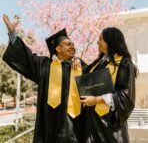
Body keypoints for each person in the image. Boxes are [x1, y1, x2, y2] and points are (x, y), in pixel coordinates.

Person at [2, 14, 86, 143]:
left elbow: (97, 85)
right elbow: (27, 57)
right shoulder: (44, 66)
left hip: (75, 130)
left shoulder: (79, 67)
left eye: (73, 44)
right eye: (68, 44)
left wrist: (80, 61)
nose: (72, 46)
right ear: (58, 49)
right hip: (48, 130)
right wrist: (13, 33)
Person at [80, 27, 137, 143]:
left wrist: (97, 99)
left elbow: (125, 96)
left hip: (110, 125)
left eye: (101, 39)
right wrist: (77, 60)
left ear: (110, 42)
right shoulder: (99, 63)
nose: (97, 42)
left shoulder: (124, 63)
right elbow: (86, 77)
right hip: (92, 121)